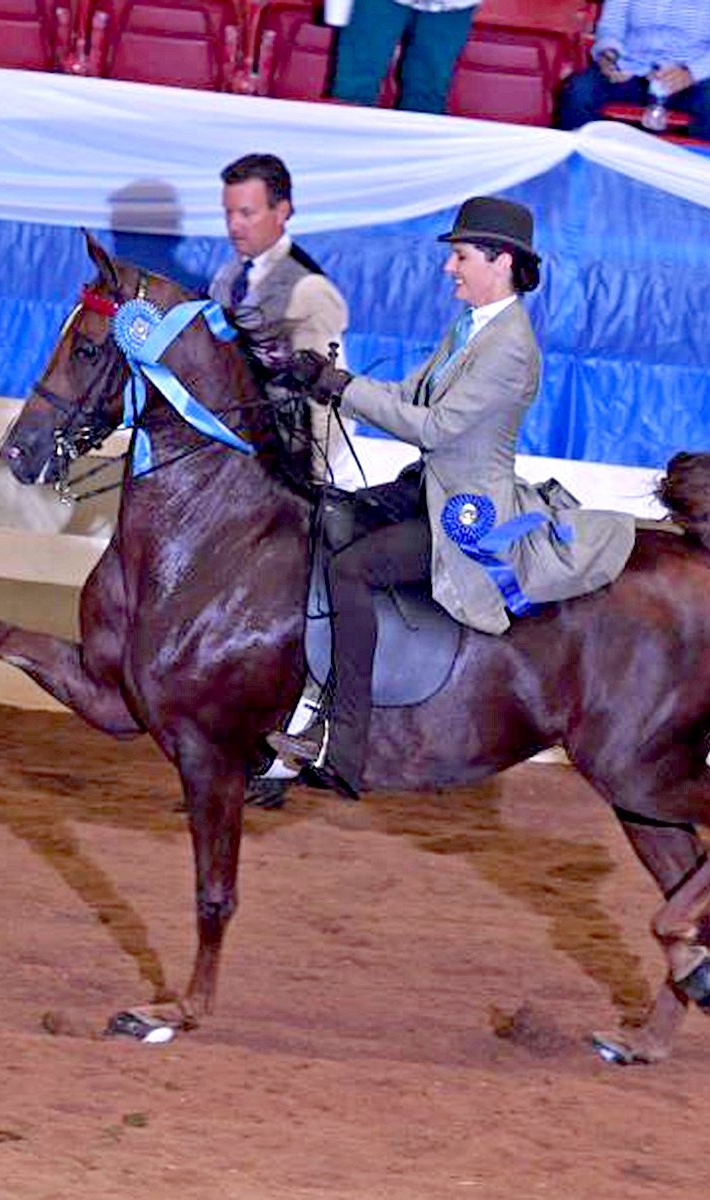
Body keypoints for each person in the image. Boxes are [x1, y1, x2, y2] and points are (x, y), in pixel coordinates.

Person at [269, 196, 636, 798]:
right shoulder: (468, 329)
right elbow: (410, 394)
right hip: (429, 491)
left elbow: (434, 428)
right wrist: (324, 382)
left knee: (352, 572)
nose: (449, 268)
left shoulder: (511, 346)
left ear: (500, 261)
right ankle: (296, 713)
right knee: (326, 528)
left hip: (468, 516)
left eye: (461, 256)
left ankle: (344, 742)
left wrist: (346, 388)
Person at [210, 153, 360, 488]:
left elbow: (328, 397)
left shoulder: (309, 290)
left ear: (282, 212)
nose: (234, 225)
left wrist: (316, 481)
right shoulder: (227, 276)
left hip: (284, 473)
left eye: (246, 213)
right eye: (228, 213)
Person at [555, 0, 710, 146]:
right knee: (580, 91)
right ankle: (576, 171)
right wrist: (609, 56)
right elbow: (610, 29)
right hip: (633, 69)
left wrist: (689, 74)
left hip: (692, 76)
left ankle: (703, 183)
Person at [330, 0, 481, 116]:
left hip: (454, 5)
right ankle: (344, 149)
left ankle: (417, 152)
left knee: (427, 93)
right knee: (354, 87)